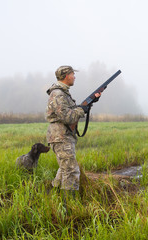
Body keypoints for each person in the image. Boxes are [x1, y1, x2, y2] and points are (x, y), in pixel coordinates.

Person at [45, 65, 100, 195]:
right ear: (66, 76)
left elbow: (69, 111)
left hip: (63, 135)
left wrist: (90, 103)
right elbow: (67, 117)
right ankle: (68, 204)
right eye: (72, 74)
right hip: (61, 136)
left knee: (64, 169)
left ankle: (53, 196)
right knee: (71, 171)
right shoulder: (58, 94)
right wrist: (81, 110)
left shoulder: (63, 93)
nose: (74, 77)